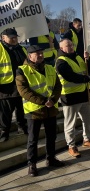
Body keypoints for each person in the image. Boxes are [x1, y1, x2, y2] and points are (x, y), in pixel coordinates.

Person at [16, 45, 64, 177]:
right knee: (33, 139)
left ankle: (51, 158)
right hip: (34, 111)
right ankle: (32, 165)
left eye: (41, 53)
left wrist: (53, 100)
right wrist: (43, 101)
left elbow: (57, 85)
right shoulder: (22, 70)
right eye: (37, 53)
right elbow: (24, 91)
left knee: (51, 136)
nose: (40, 55)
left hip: (50, 109)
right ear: (29, 56)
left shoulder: (49, 67)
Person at [55, 39, 90, 158]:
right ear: (62, 48)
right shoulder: (60, 61)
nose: (70, 46)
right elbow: (70, 76)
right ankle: (71, 146)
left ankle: (87, 139)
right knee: (70, 123)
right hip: (70, 97)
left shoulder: (79, 57)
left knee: (88, 119)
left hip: (83, 95)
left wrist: (88, 59)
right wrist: (85, 79)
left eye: (71, 44)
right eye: (67, 45)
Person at [0, 28, 28, 142]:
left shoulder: (21, 48)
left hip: (21, 84)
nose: (14, 38)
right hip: (5, 86)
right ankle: (4, 132)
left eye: (15, 36)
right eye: (11, 37)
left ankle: (22, 127)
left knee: (21, 108)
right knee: (6, 111)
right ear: (3, 38)